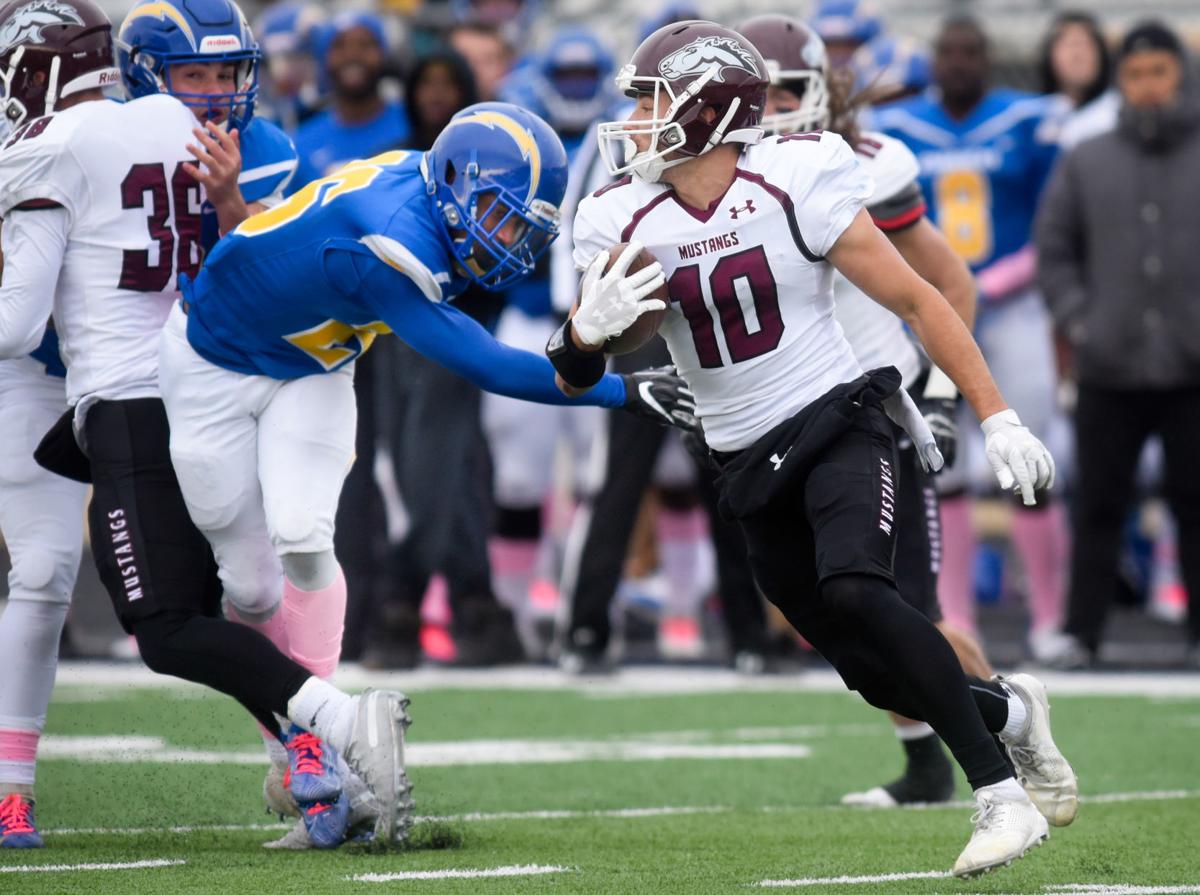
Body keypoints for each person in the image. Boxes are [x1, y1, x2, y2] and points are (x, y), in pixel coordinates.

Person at [560, 21, 1075, 877]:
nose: (639, 119)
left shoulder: (797, 177)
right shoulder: (620, 212)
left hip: (841, 419)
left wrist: (995, 414)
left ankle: (1000, 794)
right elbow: (581, 369)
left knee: (860, 589)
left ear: (706, 109)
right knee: (869, 673)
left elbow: (919, 297)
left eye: (652, 100)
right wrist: (587, 332)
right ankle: (1012, 717)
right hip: (741, 456)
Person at [155, 100, 694, 834]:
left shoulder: (428, 196)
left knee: (305, 537)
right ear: (454, 181)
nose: (508, 240)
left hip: (313, 364)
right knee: (246, 584)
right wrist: (620, 389)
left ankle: (311, 744)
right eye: (501, 216)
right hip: (210, 360)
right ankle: (289, 740)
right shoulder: (390, 240)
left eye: (521, 226)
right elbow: (482, 362)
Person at [0, 0, 409, 851]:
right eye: (199, 74)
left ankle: (330, 726)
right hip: (203, 393)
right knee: (227, 594)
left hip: (161, 397)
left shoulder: (84, 142)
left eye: (229, 74)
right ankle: (315, 758)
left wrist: (227, 203)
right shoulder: (125, 138)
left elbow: (19, 316)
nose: (218, 94)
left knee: (178, 617)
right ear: (145, 72)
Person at [739, 11, 995, 808]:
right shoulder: (711, 182)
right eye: (759, 92)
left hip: (878, 408)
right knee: (840, 614)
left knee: (903, 610)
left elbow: (947, 284)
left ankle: (1013, 735)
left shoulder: (868, 164)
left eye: (788, 90)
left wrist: (947, 394)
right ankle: (926, 762)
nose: (774, 107)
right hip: (793, 417)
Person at [875, 17, 1069, 663]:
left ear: (988, 60)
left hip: (1012, 309)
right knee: (942, 464)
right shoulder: (900, 130)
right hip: (932, 307)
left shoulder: (1027, 121)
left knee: (1031, 464)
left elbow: (1056, 223)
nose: (959, 63)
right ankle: (957, 619)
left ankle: (1048, 618)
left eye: (971, 53)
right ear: (933, 60)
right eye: (949, 53)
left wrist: (997, 278)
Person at [1035, 21, 1200, 669]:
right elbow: (1053, 251)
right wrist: (1083, 321)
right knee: (1098, 504)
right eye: (1135, 75)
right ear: (1120, 82)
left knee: (1197, 504)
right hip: (1110, 364)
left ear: (1180, 74)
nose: (1148, 87)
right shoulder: (1087, 157)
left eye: (1159, 72)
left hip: (1193, 366)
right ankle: (1083, 632)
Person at [289, 11, 407, 191]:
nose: (352, 55)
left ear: (383, 55)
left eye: (365, 45)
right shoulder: (300, 144)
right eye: (339, 46)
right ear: (324, 59)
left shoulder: (415, 123)